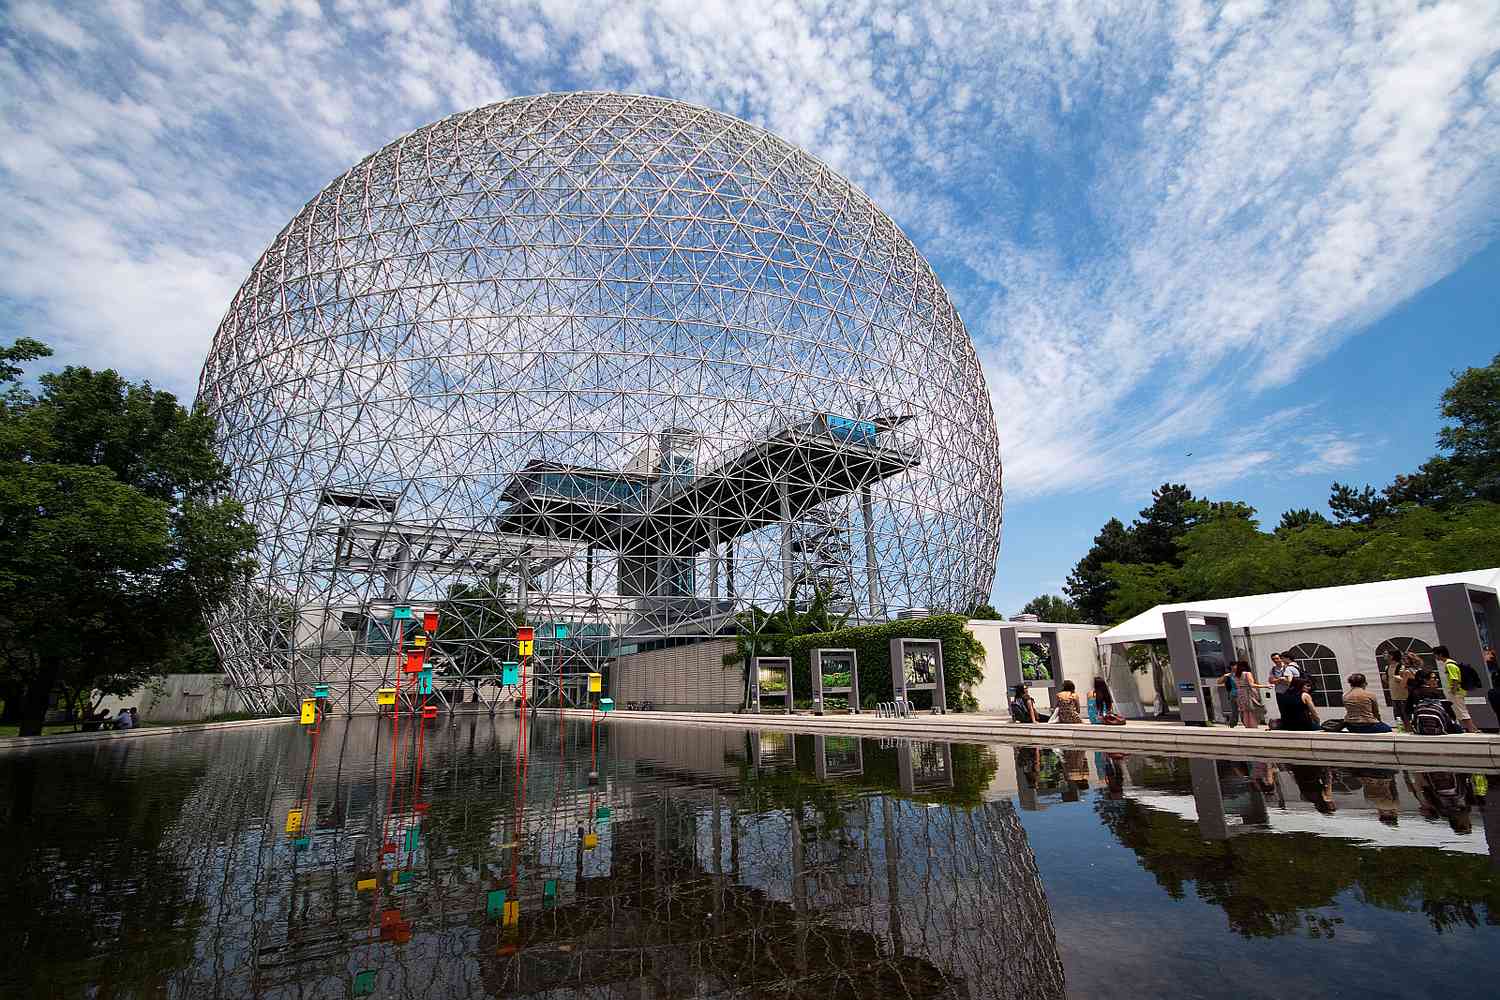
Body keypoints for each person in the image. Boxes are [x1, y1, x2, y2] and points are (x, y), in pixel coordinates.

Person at [1434, 644, 1479, 733]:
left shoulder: (1449, 664)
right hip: (1458, 691)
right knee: (1460, 710)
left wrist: (1453, 691)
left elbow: (1454, 678)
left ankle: (1472, 729)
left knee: (1461, 710)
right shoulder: (1451, 662)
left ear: (1440, 654)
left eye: (1435, 654)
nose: (1435, 657)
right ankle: (1472, 728)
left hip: (1456, 691)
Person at [1223, 660, 1267, 729]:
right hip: (1247, 692)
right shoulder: (1247, 673)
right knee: (1252, 709)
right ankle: (1253, 725)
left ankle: (1247, 725)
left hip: (1240, 693)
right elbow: (1251, 684)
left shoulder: (1235, 675)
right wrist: (1265, 686)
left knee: (1244, 710)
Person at [1384, 651, 1410, 725]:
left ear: (1392, 656)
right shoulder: (1387, 667)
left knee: (1405, 715)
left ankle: (1409, 729)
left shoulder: (1401, 667)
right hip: (1394, 695)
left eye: (1388, 655)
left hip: (1403, 696)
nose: (1386, 656)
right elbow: (1389, 680)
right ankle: (1401, 730)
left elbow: (1407, 680)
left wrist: (1400, 679)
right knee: (1397, 716)